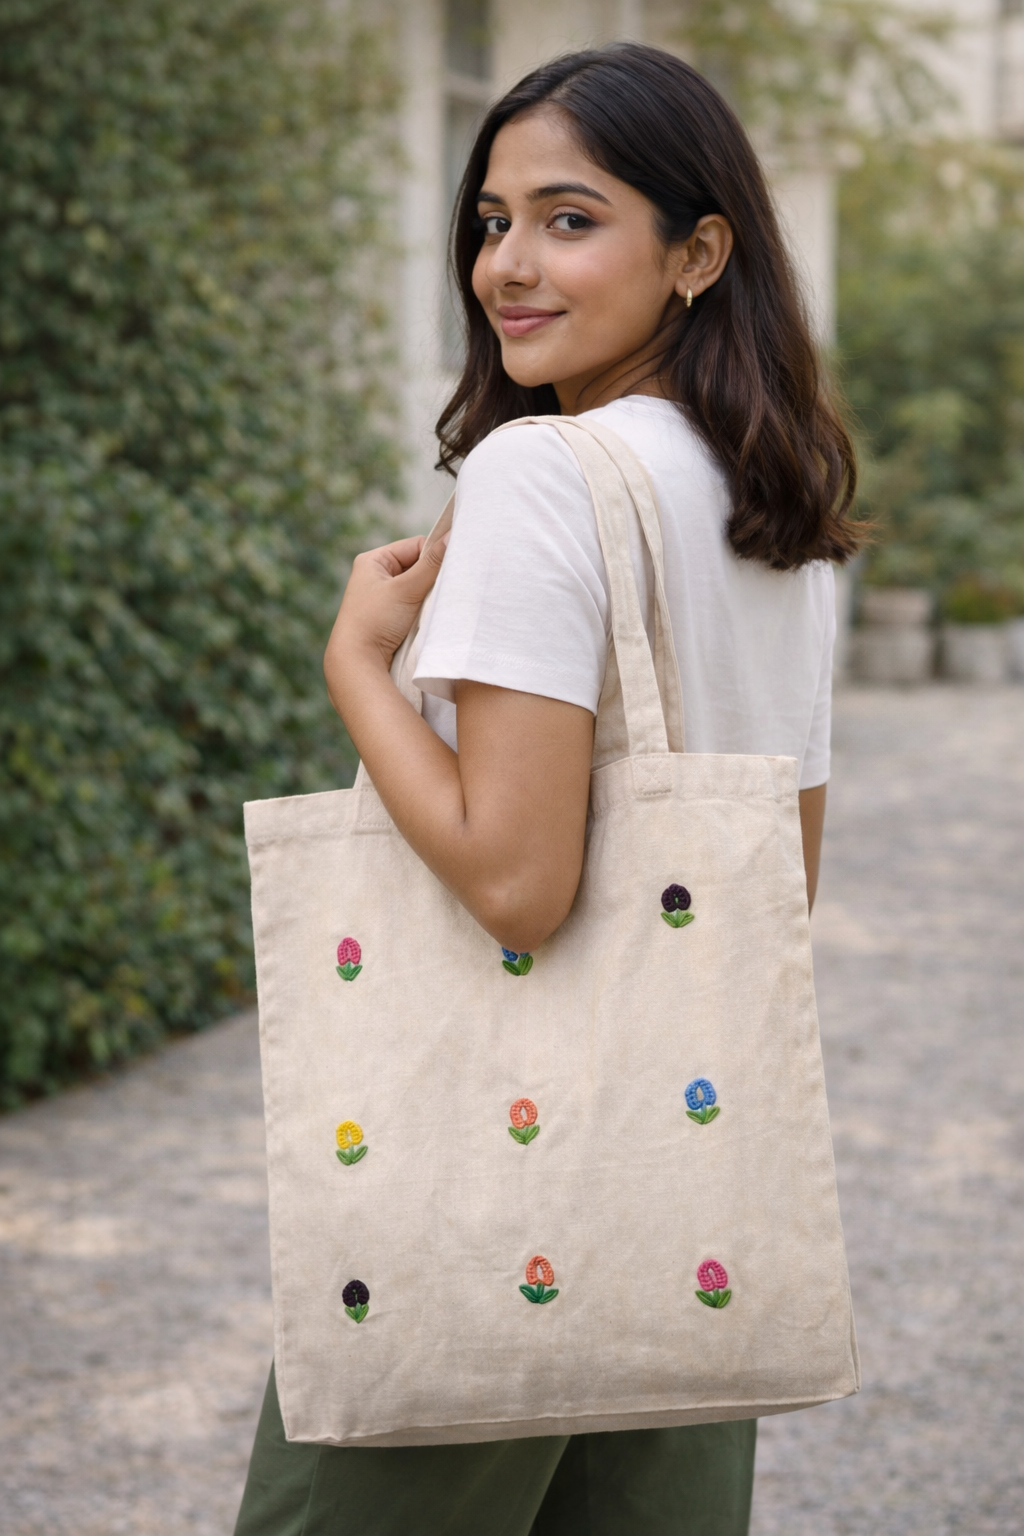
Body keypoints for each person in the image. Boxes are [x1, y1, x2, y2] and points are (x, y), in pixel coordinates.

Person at [234, 41, 861, 1536]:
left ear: (700, 250)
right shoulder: (772, 505)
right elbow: (783, 882)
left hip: (481, 1176)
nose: (507, 264)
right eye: (492, 219)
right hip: (679, 1184)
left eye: (569, 219)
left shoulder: (540, 475)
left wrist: (356, 669)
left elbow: (516, 883)